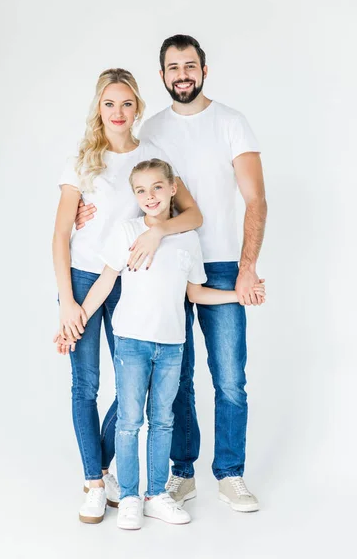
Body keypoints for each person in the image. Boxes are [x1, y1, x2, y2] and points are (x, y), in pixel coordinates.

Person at [75, 35, 268, 512]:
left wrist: (247, 269)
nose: (182, 74)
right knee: (174, 379)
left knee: (228, 377)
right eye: (173, 67)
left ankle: (231, 474)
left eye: (190, 65)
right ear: (161, 76)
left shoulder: (231, 123)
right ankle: (181, 473)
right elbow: (132, 187)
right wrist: (88, 208)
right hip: (159, 268)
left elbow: (254, 200)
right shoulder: (153, 131)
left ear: (204, 69)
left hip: (218, 262)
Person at [58, 159, 266, 530]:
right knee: (129, 421)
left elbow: (196, 293)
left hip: (172, 346)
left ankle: (157, 495)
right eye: (140, 190)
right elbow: (105, 283)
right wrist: (76, 321)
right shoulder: (127, 232)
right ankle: (131, 499)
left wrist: (237, 295)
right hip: (132, 343)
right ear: (134, 196)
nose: (149, 196)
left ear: (173, 189)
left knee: (163, 421)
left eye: (157, 187)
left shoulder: (188, 240)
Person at [52, 68, 202, 524]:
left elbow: (191, 213)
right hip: (82, 280)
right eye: (109, 103)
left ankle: (100, 467)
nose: (118, 113)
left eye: (126, 103)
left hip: (133, 280)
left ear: (137, 107)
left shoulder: (152, 155)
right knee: (86, 384)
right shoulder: (82, 161)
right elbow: (60, 235)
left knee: (136, 383)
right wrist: (67, 304)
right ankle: (96, 483)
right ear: (99, 108)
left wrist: (157, 233)